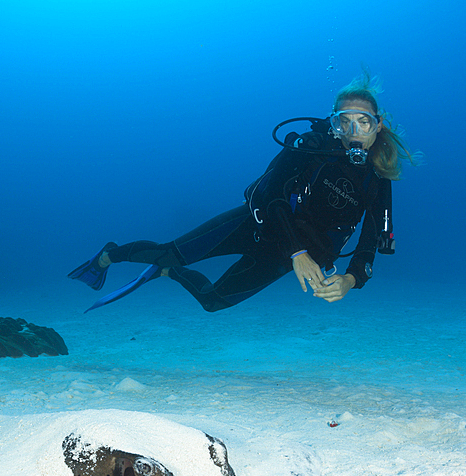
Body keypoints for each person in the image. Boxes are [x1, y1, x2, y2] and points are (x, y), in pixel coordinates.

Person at [68, 71, 417, 313]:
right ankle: (108, 256)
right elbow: (268, 192)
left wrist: (350, 280)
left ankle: (168, 274)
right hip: (256, 226)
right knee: (167, 252)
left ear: (379, 124)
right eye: (345, 121)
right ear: (334, 123)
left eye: (364, 121)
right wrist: (298, 252)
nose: (354, 131)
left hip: (285, 257)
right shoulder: (309, 147)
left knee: (213, 302)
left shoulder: (377, 180)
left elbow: (372, 240)